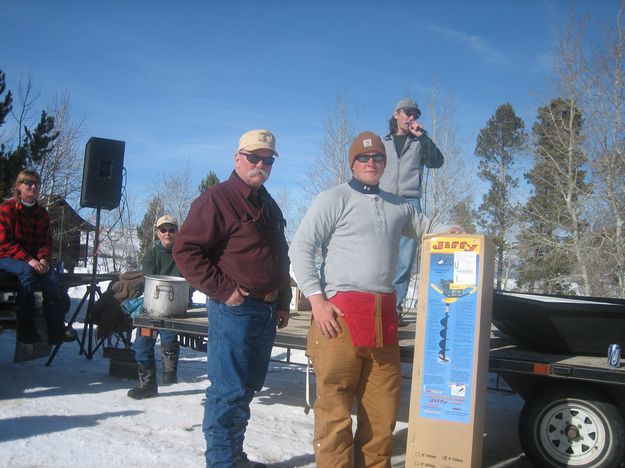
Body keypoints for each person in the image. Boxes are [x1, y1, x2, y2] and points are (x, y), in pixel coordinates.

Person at [290, 131, 461, 467]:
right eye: (363, 158)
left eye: (378, 157)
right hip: (339, 323)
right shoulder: (332, 199)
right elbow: (301, 248)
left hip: (384, 324)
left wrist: (455, 233)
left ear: (385, 163)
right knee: (335, 417)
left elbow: (430, 229)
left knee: (382, 419)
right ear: (352, 163)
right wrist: (317, 301)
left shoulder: (398, 206)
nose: (371, 163)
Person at [173, 129, 291, 468]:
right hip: (234, 311)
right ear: (237, 158)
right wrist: (224, 290)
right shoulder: (217, 199)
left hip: (266, 311)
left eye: (267, 160)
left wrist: (282, 300)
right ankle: (221, 461)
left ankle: (234, 455)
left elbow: (279, 255)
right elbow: (186, 250)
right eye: (254, 157)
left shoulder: (267, 203)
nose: (261, 164)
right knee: (228, 390)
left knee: (248, 387)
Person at [379, 98, 445, 322]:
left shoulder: (419, 142)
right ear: (396, 114)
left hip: (410, 203)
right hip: (384, 200)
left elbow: (437, 162)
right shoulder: (382, 142)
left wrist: (423, 137)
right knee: (380, 254)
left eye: (415, 115)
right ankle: (377, 305)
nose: (412, 118)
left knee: (405, 260)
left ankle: (394, 310)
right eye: (408, 113)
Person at [0, 170, 73, 345]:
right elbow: (4, 242)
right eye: (29, 183)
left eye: (36, 183)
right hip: (6, 257)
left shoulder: (42, 213)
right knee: (27, 273)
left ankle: (56, 330)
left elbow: (45, 241)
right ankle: (26, 330)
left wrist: (43, 259)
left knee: (51, 278)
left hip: (32, 260)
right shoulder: (6, 209)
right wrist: (29, 260)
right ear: (19, 187)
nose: (34, 186)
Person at [127, 214, 184, 400]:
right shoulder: (150, 256)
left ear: (177, 232)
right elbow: (150, 282)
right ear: (158, 233)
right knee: (142, 343)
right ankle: (148, 383)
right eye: (163, 230)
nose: (168, 233)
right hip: (152, 305)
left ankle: (170, 372)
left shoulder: (184, 255)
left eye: (172, 230)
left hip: (176, 307)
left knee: (169, 336)